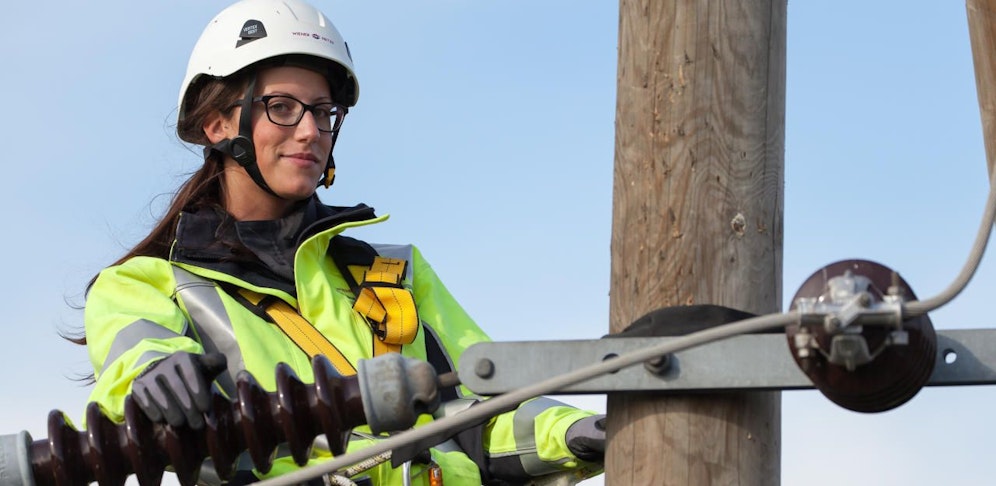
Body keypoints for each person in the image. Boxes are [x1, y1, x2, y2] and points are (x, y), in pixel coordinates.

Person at [80, 0, 605, 484]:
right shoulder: (145, 285)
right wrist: (153, 373)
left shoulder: (394, 271)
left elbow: (487, 407)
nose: (310, 130)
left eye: (324, 111)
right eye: (282, 107)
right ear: (217, 124)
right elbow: (138, 357)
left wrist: (586, 433)